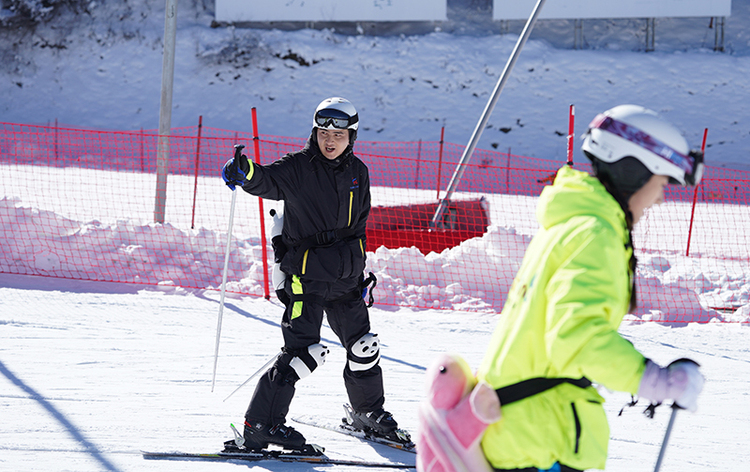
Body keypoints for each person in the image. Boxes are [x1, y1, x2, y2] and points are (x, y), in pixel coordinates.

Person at [476, 104, 706, 472]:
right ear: (635, 172)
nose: (661, 197)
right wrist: (656, 382)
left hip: (522, 427)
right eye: (661, 183)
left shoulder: (571, 224)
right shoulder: (596, 234)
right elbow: (575, 335)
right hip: (540, 436)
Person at [221, 97, 405, 452]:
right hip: (306, 275)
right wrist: (244, 172)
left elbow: (360, 223)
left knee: (364, 348)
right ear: (315, 133)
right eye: (323, 132)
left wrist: (356, 265)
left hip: (346, 276)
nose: (330, 140)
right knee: (303, 353)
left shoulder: (358, 172)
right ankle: (261, 426)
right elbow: (266, 180)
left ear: (352, 135)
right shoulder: (298, 167)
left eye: (338, 133)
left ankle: (367, 412)